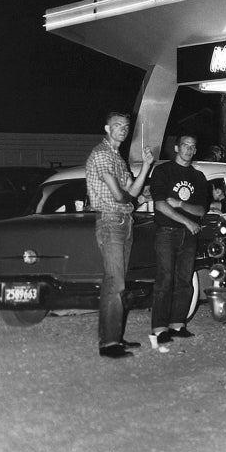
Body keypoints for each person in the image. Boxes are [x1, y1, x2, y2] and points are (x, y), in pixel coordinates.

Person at [85, 110, 155, 359]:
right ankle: (110, 345)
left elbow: (134, 191)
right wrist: (132, 196)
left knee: (113, 283)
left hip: (124, 222)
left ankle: (112, 338)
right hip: (111, 221)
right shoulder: (102, 154)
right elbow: (120, 195)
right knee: (117, 284)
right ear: (107, 128)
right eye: (117, 125)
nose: (123, 129)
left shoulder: (118, 158)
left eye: (125, 126)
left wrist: (147, 166)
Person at [149, 133, 208, 350]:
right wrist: (186, 221)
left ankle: (177, 324)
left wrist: (181, 204)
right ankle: (159, 329)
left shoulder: (199, 177)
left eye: (193, 147)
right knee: (165, 280)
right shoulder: (163, 171)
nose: (189, 150)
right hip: (167, 232)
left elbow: (201, 210)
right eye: (185, 145)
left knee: (184, 281)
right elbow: (160, 205)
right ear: (176, 148)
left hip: (189, 236)